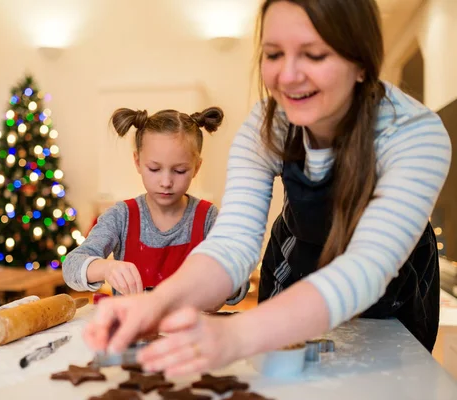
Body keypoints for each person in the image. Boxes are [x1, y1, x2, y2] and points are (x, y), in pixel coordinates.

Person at [83, 0, 451, 377]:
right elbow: (232, 245)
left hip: (392, 279)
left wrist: (237, 334)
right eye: (274, 54)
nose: (288, 76)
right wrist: (157, 304)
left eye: (313, 55)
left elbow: (366, 267)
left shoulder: (413, 133)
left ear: (361, 63)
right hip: (297, 257)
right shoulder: (267, 123)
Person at [64, 107, 240, 299]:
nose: (166, 182)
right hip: (132, 327)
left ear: (196, 167)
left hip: (190, 326)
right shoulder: (122, 216)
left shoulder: (208, 218)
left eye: (180, 171)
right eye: (154, 169)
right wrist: (106, 268)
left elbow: (238, 281)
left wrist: (223, 280)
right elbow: (71, 266)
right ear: (138, 162)